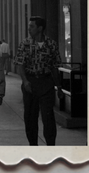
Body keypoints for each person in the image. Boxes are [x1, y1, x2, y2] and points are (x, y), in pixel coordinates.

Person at [14, 16, 65, 146]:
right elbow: (20, 65)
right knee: (30, 117)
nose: (29, 29)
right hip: (30, 83)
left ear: (40, 28)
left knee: (48, 117)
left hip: (46, 83)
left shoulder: (51, 44)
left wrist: (59, 86)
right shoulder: (25, 44)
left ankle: (50, 145)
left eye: (32, 26)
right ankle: (33, 145)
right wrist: (25, 81)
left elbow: (54, 67)